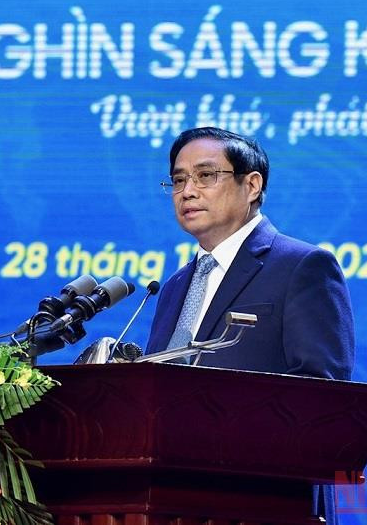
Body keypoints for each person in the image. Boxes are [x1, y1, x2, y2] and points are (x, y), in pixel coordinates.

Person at [143, 126, 355, 523]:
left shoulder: (302, 266)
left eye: (206, 176)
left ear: (252, 185)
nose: (187, 191)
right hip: (175, 500)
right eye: (178, 180)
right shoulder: (174, 286)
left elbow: (322, 395)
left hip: (266, 499)